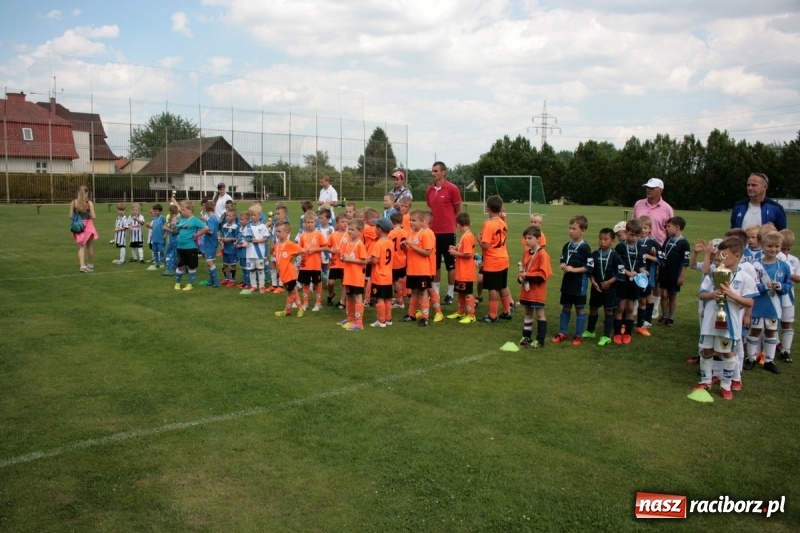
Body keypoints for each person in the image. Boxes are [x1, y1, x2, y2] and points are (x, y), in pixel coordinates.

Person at [692, 236, 757, 400]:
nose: (721, 258)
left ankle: (726, 385)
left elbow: (749, 301)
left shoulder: (744, 277)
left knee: (727, 353)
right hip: (709, 321)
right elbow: (701, 295)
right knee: (706, 350)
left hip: (730, 323)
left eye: (724, 255)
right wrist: (712, 294)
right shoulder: (714, 274)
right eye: (720, 254)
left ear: (737, 256)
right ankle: (705, 381)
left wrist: (731, 295)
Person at [744, 230, 792, 374]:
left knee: (771, 332)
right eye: (770, 246)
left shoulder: (784, 266)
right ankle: (751, 358)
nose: (774, 249)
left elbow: (788, 286)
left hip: (774, 307)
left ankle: (768, 360)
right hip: (758, 305)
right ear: (763, 246)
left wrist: (781, 287)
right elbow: (750, 285)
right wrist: (764, 287)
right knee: (755, 330)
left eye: (777, 246)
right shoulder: (755, 265)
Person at [552, 215, 593, 345]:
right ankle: (562, 332)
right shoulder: (567, 245)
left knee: (580, 308)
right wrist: (563, 264)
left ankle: (578, 335)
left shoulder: (585, 248)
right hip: (567, 283)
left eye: (574, 228)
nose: (570, 231)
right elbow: (563, 259)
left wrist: (574, 270)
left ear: (583, 230)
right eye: (570, 228)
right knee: (565, 307)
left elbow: (589, 267)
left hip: (579, 283)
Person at [426, 161, 462, 305]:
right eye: (432, 171)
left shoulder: (452, 189)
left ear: (443, 172)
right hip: (432, 233)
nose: (433, 173)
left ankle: (450, 294)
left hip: (448, 232)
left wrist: (455, 225)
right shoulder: (429, 190)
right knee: (434, 265)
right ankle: (435, 294)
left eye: (436, 171)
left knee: (450, 264)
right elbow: (431, 208)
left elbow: (458, 210)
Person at [583, 228, 622, 346]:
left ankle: (606, 336)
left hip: (609, 289)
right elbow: (590, 270)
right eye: (600, 239)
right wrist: (593, 282)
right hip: (596, 287)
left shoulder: (616, 256)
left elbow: (620, 272)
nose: (602, 242)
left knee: (609, 311)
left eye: (605, 239)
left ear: (612, 241)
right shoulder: (593, 254)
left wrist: (609, 282)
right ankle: (590, 331)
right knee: (593, 309)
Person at [517, 225, 552, 348]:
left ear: (538, 239)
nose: (526, 240)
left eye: (530, 238)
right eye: (526, 238)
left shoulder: (543, 255)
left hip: (537, 291)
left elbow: (543, 276)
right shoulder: (526, 252)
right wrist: (520, 277)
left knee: (539, 314)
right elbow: (524, 268)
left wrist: (527, 275)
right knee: (527, 312)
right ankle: (526, 336)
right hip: (527, 290)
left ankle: (540, 340)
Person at [479, 195, 512, 323]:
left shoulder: (489, 225)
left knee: (493, 288)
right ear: (500, 208)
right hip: (503, 258)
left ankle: (492, 315)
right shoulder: (503, 222)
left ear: (488, 208)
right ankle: (507, 311)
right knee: (502, 285)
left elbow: (486, 245)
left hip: (493, 260)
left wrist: (479, 240)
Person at [402, 209, 435, 326]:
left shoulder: (424, 234)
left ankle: (425, 317)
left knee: (423, 292)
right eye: (410, 220)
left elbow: (427, 252)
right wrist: (404, 247)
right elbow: (408, 251)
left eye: (414, 220)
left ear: (422, 221)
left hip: (422, 270)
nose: (411, 222)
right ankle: (411, 315)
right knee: (414, 292)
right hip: (411, 269)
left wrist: (413, 246)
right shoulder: (410, 233)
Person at [614, 218, 644, 345]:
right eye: (632, 235)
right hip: (622, 280)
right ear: (626, 233)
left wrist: (643, 271)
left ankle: (627, 333)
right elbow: (617, 264)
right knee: (620, 307)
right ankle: (616, 333)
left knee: (631, 307)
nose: (634, 238)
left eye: (637, 235)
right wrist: (627, 272)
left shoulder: (640, 248)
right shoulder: (620, 247)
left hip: (634, 282)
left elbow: (641, 264)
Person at [657, 217, 690, 327]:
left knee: (672, 295)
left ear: (677, 227)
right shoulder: (668, 240)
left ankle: (671, 317)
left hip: (675, 273)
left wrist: (682, 276)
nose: (667, 229)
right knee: (663, 294)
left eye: (669, 226)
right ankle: (664, 316)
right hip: (664, 271)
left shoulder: (684, 243)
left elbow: (685, 261)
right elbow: (661, 253)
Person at [338, 218, 369, 331]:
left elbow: (364, 261)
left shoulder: (360, 244)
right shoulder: (348, 243)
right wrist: (343, 258)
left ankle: (359, 323)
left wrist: (350, 259)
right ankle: (350, 318)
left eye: (352, 229)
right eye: (348, 229)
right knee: (349, 296)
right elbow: (346, 257)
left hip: (356, 276)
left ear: (359, 231)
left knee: (357, 297)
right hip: (348, 275)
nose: (349, 231)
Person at [446, 212, 477, 324]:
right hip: (461, 270)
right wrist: (455, 248)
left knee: (467, 293)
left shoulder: (467, 237)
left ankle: (471, 315)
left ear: (458, 224)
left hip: (466, 271)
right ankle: (460, 312)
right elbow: (463, 249)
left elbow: (468, 254)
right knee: (460, 292)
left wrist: (454, 252)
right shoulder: (465, 236)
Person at [173, 200, 207, 291]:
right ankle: (177, 283)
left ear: (190, 210)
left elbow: (205, 228)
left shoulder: (195, 220)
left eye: (184, 210)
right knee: (180, 266)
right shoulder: (181, 219)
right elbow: (176, 231)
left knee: (191, 266)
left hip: (191, 247)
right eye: (181, 210)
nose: (182, 212)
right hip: (180, 247)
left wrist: (197, 235)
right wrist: (174, 224)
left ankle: (190, 284)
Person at [272, 221, 304, 316]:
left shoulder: (289, 244)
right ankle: (288, 310)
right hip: (283, 273)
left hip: (289, 273)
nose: (277, 233)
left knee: (292, 291)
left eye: (279, 231)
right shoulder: (277, 245)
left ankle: (298, 309)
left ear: (287, 232)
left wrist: (292, 255)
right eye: (276, 231)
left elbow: (301, 250)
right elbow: (277, 256)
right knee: (291, 291)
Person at [297, 211, 327, 312]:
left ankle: (318, 303)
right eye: (307, 222)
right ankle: (305, 303)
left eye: (311, 222)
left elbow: (325, 247)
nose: (309, 224)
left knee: (317, 283)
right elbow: (299, 248)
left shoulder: (318, 234)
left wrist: (315, 250)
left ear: (315, 222)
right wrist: (301, 252)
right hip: (305, 265)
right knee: (306, 284)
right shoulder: (302, 236)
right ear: (304, 223)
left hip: (315, 265)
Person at [368, 218, 395, 327]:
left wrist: (368, 260)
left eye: (376, 227)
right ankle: (388, 319)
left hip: (379, 276)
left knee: (379, 298)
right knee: (387, 298)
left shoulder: (378, 243)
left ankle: (381, 321)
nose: (374, 229)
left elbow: (375, 260)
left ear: (379, 229)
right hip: (388, 275)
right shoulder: (390, 242)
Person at [633, 178, 674, 245]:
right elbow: (633, 225)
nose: (648, 190)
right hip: (638, 246)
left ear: (660, 191)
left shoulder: (667, 209)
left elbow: (670, 232)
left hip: (658, 248)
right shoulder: (638, 204)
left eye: (652, 188)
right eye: (647, 187)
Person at [70, 185, 99, 273]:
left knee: (81, 247)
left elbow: (71, 216)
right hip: (88, 225)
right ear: (87, 193)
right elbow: (94, 216)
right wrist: (89, 214)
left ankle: (82, 266)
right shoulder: (89, 203)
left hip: (79, 226)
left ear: (78, 192)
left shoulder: (74, 203)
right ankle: (90, 264)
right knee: (89, 246)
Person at [327, 213, 350, 309]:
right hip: (335, 262)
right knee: (331, 282)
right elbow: (327, 247)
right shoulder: (333, 235)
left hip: (345, 263)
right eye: (342, 222)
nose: (345, 224)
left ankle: (342, 302)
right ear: (337, 224)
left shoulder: (349, 235)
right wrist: (331, 250)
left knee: (344, 283)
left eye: (346, 222)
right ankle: (331, 294)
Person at [388, 212, 409, 310]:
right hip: (403, 259)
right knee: (403, 278)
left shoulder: (390, 233)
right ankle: (405, 294)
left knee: (395, 280)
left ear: (392, 222)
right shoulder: (406, 232)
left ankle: (400, 301)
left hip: (394, 260)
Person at [199, 200, 221, 288]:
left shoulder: (211, 218)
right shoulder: (214, 217)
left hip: (210, 243)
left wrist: (203, 230)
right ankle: (211, 280)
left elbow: (211, 231)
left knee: (209, 262)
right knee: (211, 261)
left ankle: (216, 282)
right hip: (212, 242)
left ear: (206, 209)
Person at [149, 204, 166, 268]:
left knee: (161, 250)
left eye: (156, 211)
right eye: (154, 211)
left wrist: (165, 234)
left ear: (160, 211)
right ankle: (156, 261)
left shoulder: (163, 218)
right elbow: (154, 227)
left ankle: (162, 261)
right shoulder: (154, 218)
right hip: (154, 238)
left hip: (161, 238)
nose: (154, 212)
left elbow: (166, 226)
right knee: (155, 250)